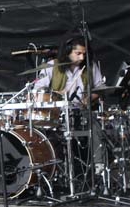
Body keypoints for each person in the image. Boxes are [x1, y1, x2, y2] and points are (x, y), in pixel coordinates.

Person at [34, 33, 106, 170]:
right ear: (67, 52)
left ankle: (99, 166)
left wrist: (89, 98)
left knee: (95, 126)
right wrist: (55, 95)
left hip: (80, 110)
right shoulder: (51, 66)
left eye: (84, 54)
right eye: (78, 53)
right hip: (57, 113)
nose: (82, 57)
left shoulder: (90, 66)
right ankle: (52, 168)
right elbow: (38, 89)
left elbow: (100, 88)